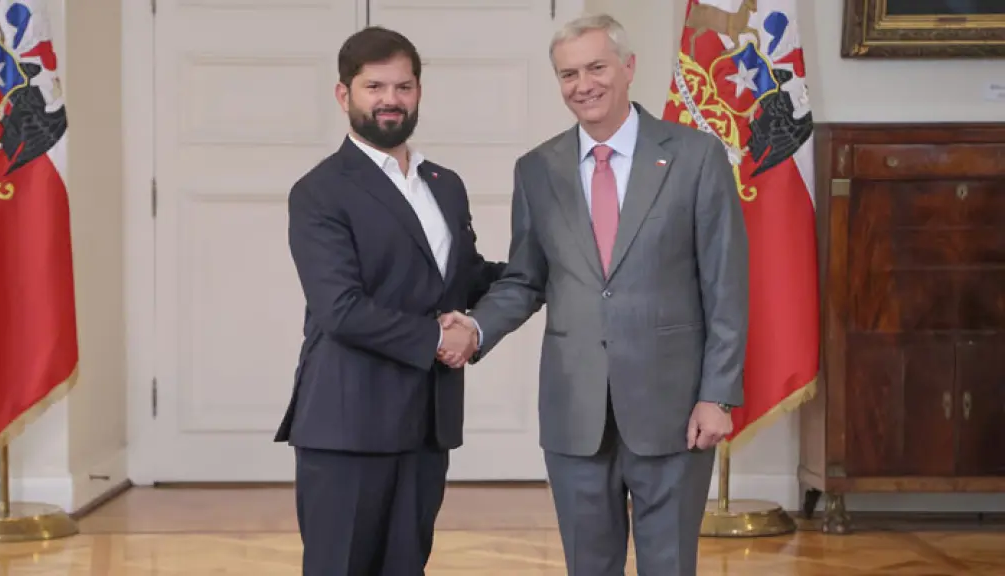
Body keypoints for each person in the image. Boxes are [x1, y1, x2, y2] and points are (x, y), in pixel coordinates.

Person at [438, 14, 749, 575]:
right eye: (568, 74)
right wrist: (475, 329)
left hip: (675, 409)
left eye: (596, 67)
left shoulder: (696, 156)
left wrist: (718, 394)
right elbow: (527, 278)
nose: (583, 85)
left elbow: (725, 284)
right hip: (574, 411)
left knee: (670, 564)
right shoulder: (536, 169)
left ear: (628, 68)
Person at [274, 26, 503, 575]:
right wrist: (439, 340)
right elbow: (340, 308)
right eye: (374, 86)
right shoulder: (320, 190)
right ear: (344, 94)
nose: (390, 100)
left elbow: (464, 278)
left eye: (402, 86)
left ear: (419, 91)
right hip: (348, 424)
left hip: (427, 424)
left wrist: (546, 274)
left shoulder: (444, 184)